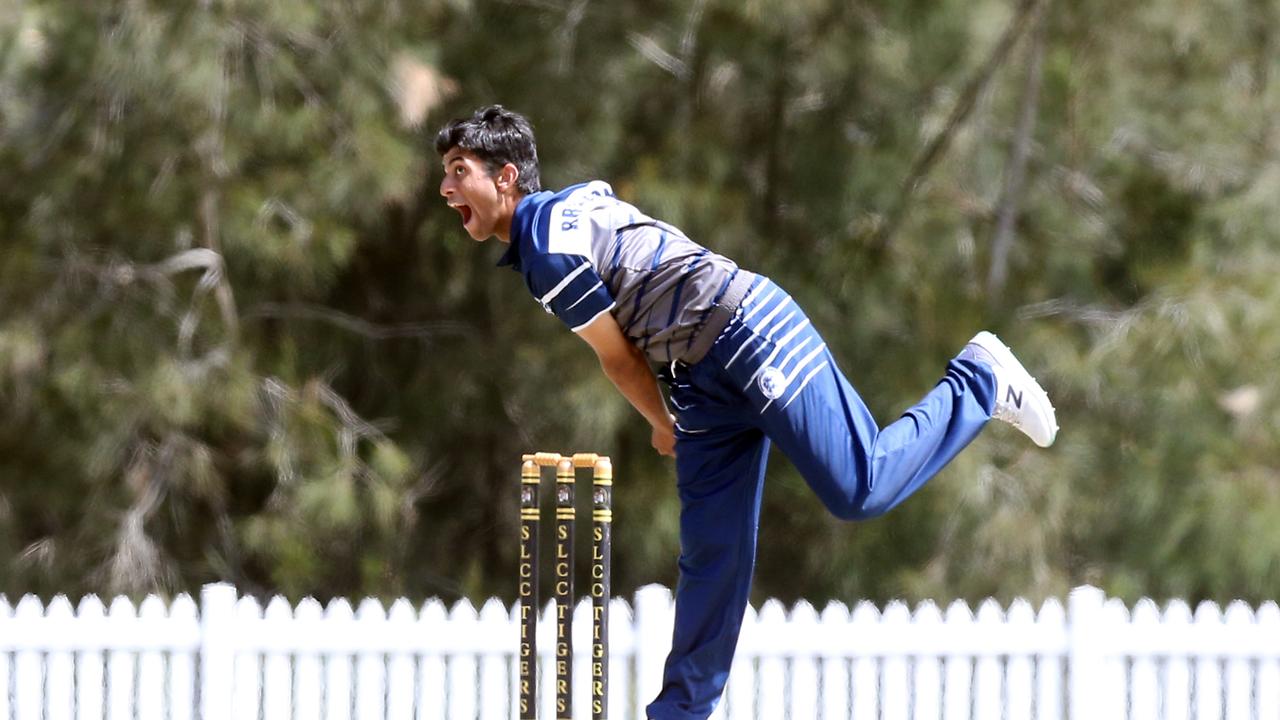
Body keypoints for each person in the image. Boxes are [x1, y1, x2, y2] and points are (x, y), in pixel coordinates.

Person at [435, 105, 1058, 720]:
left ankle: (979, 378)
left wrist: (659, 422)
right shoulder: (567, 208)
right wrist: (673, 410)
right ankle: (680, 714)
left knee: (859, 487)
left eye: (459, 170)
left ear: (507, 176)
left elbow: (618, 358)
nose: (445, 187)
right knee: (714, 554)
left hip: (746, 331)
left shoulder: (545, 248)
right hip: (697, 375)